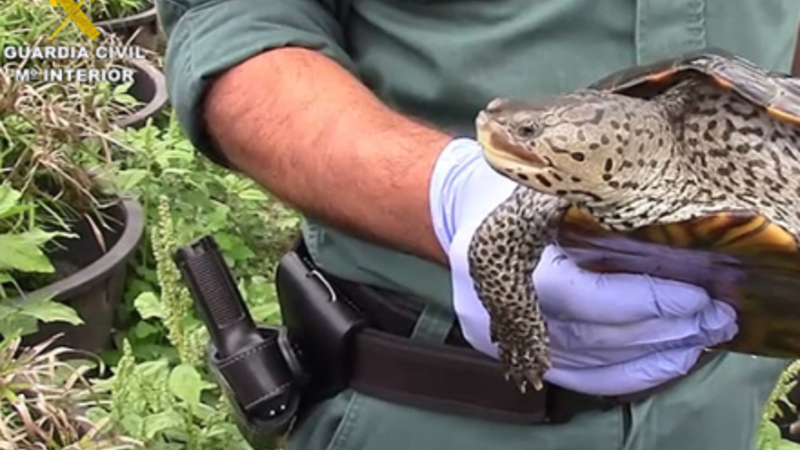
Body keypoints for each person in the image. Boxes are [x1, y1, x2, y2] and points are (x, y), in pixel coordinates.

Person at [153, 1, 800, 449]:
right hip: (429, 398)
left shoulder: (740, 141)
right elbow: (231, 17)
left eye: (529, 133)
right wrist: (447, 194)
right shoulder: (549, 190)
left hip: (718, 399)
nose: (502, 133)